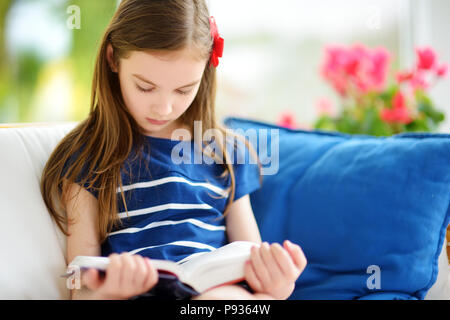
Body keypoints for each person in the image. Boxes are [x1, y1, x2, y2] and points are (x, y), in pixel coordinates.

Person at [41, 0, 307, 300]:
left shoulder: (226, 153)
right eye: (145, 87)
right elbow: (80, 286)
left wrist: (278, 285)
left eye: (184, 90)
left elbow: (250, 259)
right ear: (113, 59)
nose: (164, 107)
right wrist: (108, 291)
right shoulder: (88, 155)